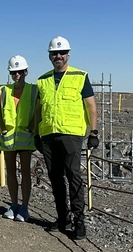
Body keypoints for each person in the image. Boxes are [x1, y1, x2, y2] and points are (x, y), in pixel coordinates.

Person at [29, 36, 98, 240]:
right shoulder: (43, 80)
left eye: (61, 53)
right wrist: (36, 133)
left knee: (73, 175)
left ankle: (79, 220)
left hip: (71, 135)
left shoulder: (80, 76)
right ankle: (62, 218)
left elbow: (91, 105)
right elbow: (39, 109)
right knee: (55, 178)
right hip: (49, 135)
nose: (58, 56)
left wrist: (93, 132)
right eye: (54, 53)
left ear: (68, 54)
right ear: (49, 56)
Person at [0, 55, 37, 221]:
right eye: (14, 72)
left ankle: (24, 208)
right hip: (9, 139)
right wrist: (3, 129)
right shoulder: (3, 91)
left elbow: (38, 112)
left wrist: (32, 128)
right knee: (11, 173)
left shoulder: (34, 90)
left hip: (26, 138)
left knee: (25, 173)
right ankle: (14, 205)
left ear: (26, 72)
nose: (17, 75)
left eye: (20, 72)